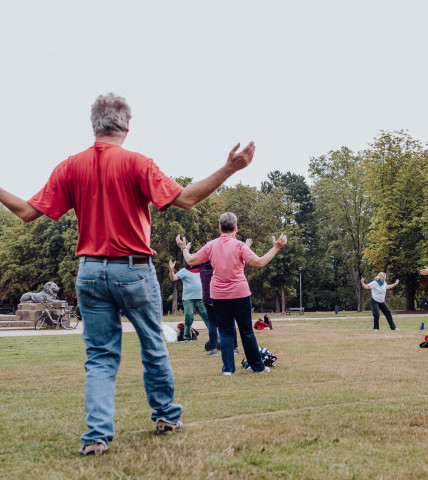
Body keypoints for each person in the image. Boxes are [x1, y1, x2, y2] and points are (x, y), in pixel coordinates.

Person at [0, 93, 256, 455]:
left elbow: (27, 212)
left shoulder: (71, 167)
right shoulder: (137, 164)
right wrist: (230, 168)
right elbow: (185, 199)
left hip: (89, 271)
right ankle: (165, 416)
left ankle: (97, 436)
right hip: (134, 270)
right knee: (152, 344)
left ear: (94, 125)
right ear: (126, 125)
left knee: (100, 356)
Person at [180, 213, 286, 375]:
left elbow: (191, 260)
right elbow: (259, 263)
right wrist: (276, 247)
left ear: (220, 228)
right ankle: (257, 367)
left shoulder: (211, 245)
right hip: (240, 294)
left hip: (218, 295)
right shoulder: (240, 246)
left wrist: (184, 248)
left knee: (226, 331)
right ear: (235, 228)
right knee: (246, 332)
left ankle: (228, 369)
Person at [168, 258, 211, 342]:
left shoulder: (201, 269)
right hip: (188, 299)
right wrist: (171, 270)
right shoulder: (184, 270)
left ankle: (214, 336)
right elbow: (173, 278)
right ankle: (187, 337)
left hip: (201, 298)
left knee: (208, 318)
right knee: (189, 317)